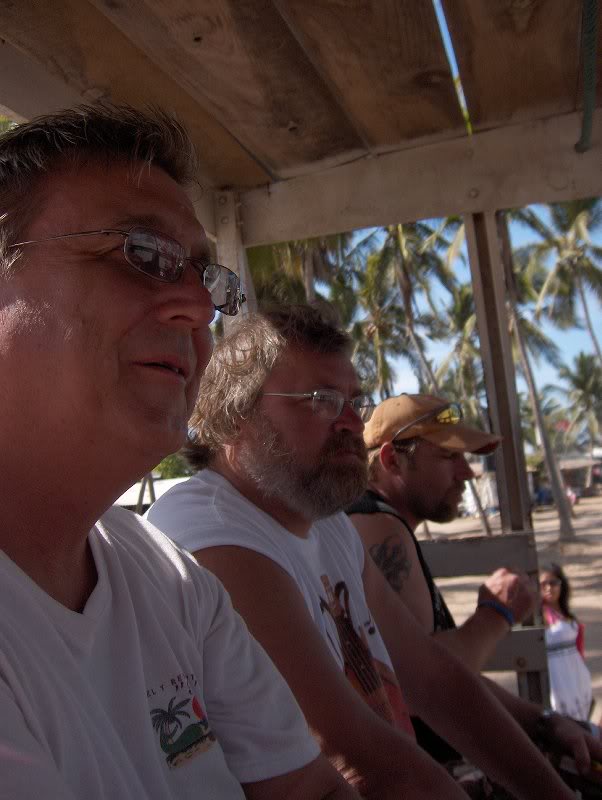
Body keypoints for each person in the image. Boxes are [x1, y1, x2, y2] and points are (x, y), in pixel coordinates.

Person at [0, 106, 359, 799]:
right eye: (141, 253)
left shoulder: (168, 579)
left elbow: (310, 790)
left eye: (204, 277)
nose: (198, 307)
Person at [148, 304, 580, 800]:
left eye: (355, 400)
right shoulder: (207, 531)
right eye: (321, 399)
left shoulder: (329, 528)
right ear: (233, 419)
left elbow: (436, 681)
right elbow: (352, 756)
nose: (354, 422)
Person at [347, 392, 602, 774]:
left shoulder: (379, 521)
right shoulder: (377, 525)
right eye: (450, 456)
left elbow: (445, 670)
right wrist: (496, 615)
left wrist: (542, 721)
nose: (467, 472)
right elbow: (424, 683)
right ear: (391, 459)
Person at [540, 563, 593, 721]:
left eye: (554, 583)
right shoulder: (538, 615)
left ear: (561, 585)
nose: (549, 588)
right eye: (544, 584)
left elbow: (579, 649)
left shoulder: (566, 614)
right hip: (555, 677)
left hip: (576, 675)